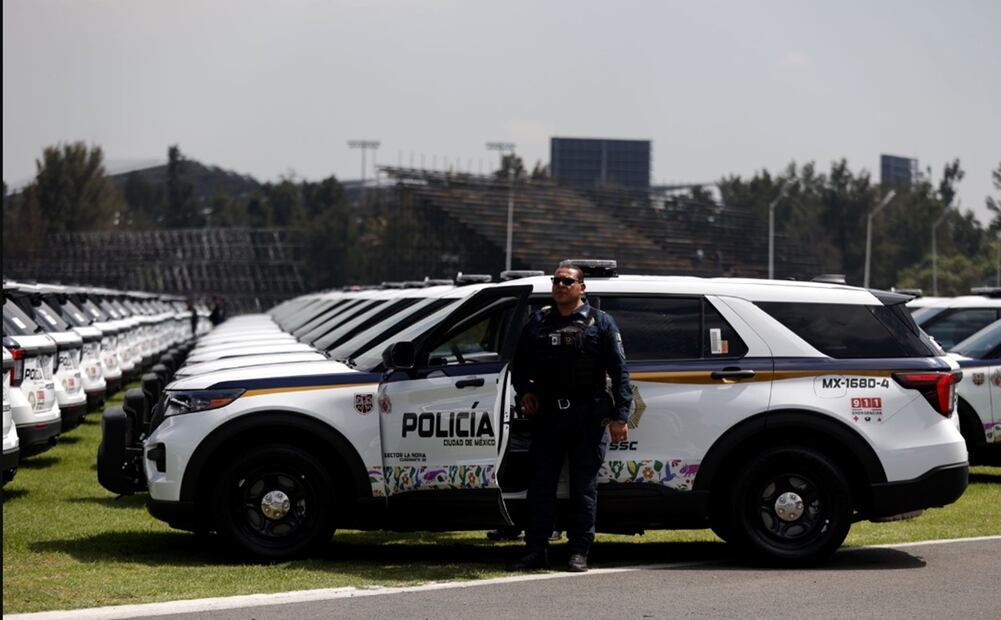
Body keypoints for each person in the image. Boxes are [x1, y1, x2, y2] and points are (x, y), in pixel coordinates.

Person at [508, 261, 632, 573]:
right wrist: (525, 392)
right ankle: (535, 550)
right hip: (548, 414)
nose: (560, 286)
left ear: (582, 287)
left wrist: (620, 417)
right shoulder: (539, 322)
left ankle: (579, 551)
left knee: (583, 487)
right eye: (556, 281)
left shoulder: (601, 323)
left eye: (567, 281)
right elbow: (519, 366)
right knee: (541, 486)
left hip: (586, 415)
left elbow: (620, 373)